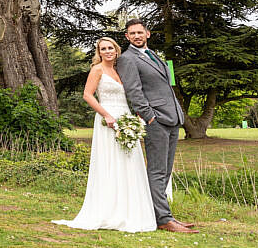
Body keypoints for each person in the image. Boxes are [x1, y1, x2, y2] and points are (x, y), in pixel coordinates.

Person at [53, 37, 157, 232]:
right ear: (99, 52)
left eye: (110, 48)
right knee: (111, 162)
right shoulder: (97, 69)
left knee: (128, 161)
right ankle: (108, 210)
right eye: (103, 49)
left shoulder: (120, 70)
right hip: (108, 119)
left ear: (116, 50)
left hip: (125, 116)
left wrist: (136, 114)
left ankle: (128, 210)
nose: (108, 51)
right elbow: (87, 95)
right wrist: (106, 115)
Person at [117, 18, 198, 233]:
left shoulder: (154, 56)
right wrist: (149, 116)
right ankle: (163, 219)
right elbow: (134, 91)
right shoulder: (127, 59)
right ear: (127, 37)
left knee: (166, 170)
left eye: (139, 32)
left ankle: (163, 214)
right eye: (132, 33)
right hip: (156, 121)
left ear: (148, 34)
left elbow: (166, 88)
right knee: (156, 171)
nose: (136, 36)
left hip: (173, 119)